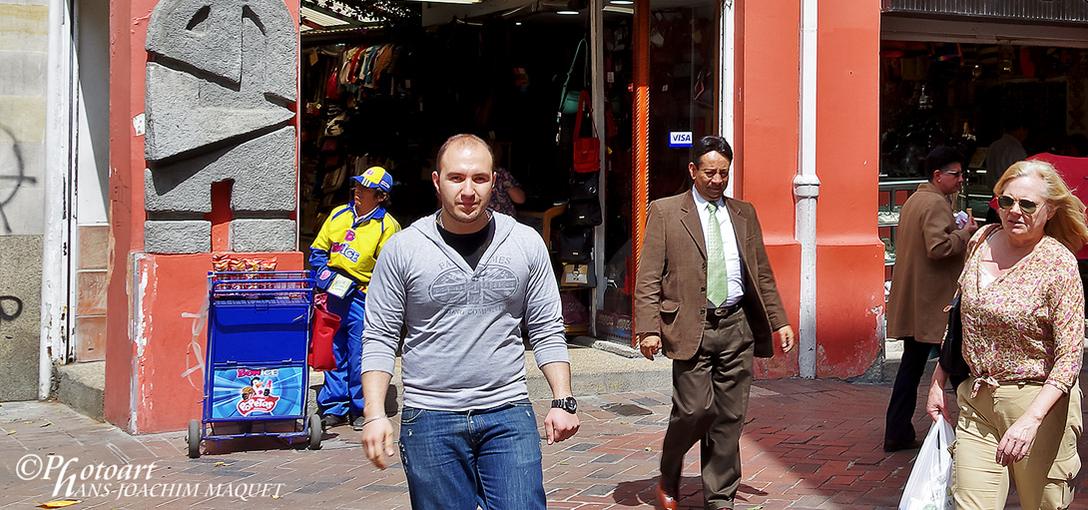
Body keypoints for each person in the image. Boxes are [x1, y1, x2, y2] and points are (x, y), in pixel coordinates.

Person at [359, 134, 581, 510]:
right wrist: (374, 413)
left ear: (494, 182)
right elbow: (380, 336)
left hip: (507, 413)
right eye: (456, 178)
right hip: (430, 417)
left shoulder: (525, 243)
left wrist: (563, 399)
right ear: (436, 181)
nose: (468, 190)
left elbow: (546, 328)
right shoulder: (404, 248)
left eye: (479, 178)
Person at [635, 136, 794, 510]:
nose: (717, 180)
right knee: (694, 410)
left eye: (724, 173)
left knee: (729, 417)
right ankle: (669, 470)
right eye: (710, 172)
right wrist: (647, 328)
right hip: (691, 325)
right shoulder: (665, 211)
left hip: (737, 325)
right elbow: (648, 277)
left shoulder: (743, 212)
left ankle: (720, 498)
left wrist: (779, 320)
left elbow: (762, 273)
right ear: (693, 170)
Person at [926, 159, 1088, 510]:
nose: (1015, 211)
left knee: (1043, 505)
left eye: (1028, 204)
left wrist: (1031, 420)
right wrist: (939, 378)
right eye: (1006, 201)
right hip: (978, 398)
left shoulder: (1058, 264)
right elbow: (958, 315)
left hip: (1038, 402)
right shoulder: (982, 239)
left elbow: (1069, 357)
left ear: (1050, 211)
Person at [884, 145, 977, 452]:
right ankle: (975, 429)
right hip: (935, 305)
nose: (961, 179)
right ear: (938, 176)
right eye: (956, 174)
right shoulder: (936, 204)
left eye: (962, 173)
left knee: (912, 367)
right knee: (957, 366)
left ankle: (897, 429)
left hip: (919, 302)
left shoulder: (916, 200)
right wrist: (966, 233)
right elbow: (938, 248)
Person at [308, 166, 401, 429]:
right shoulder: (338, 214)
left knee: (360, 353)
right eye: (358, 185)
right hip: (332, 296)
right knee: (333, 351)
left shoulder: (388, 227)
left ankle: (361, 408)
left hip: (362, 298)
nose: (358, 191)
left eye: (366, 189)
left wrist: (366, 292)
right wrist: (324, 276)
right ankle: (333, 408)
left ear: (380, 196)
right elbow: (317, 251)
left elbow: (389, 273)